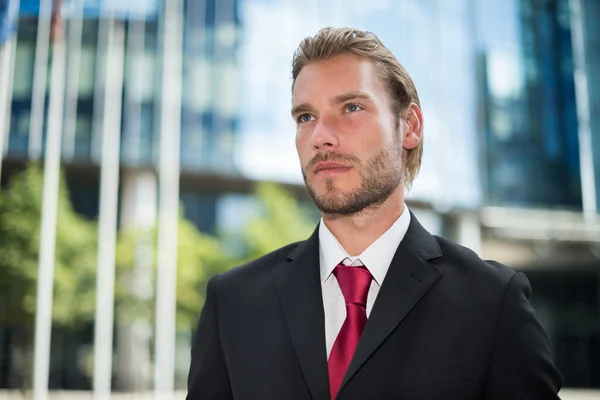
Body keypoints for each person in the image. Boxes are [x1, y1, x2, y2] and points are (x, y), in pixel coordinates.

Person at [186, 27, 563, 400]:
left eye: (351, 107)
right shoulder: (233, 303)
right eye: (305, 117)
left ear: (409, 127)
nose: (321, 135)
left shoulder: (493, 301)